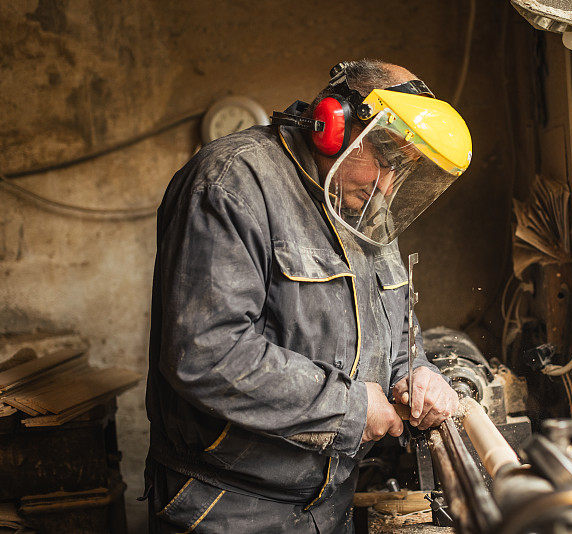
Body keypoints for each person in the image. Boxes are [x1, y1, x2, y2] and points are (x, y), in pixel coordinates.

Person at [144, 59, 472, 533]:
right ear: (332, 125)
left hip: (326, 503)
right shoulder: (232, 183)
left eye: (400, 166)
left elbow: (395, 326)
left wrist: (417, 370)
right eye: (380, 157)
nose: (386, 184)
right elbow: (205, 351)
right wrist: (353, 407)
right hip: (227, 507)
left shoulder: (364, 205)